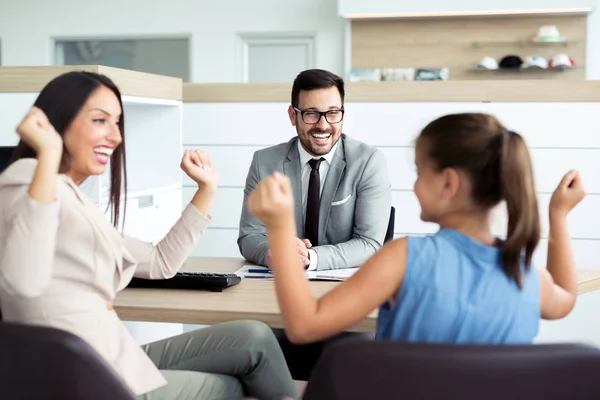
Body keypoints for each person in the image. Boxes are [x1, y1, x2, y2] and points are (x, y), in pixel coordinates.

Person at [0, 71, 297, 400]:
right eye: (100, 120)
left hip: (112, 357)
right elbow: (22, 282)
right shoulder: (27, 180)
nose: (115, 136)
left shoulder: (73, 196)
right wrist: (48, 158)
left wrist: (206, 188)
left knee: (254, 337)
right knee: (229, 388)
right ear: (59, 121)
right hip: (82, 377)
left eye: (118, 123)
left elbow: (160, 262)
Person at [248, 112, 584, 345]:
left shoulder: (403, 259)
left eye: (420, 170)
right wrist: (558, 216)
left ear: (448, 183)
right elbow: (566, 300)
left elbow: (304, 327)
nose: (415, 183)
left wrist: (279, 226)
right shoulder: (523, 273)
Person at [237, 68, 391, 379]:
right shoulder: (265, 161)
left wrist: (311, 258)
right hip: (275, 298)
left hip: (344, 301)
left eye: (333, 113)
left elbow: (371, 244)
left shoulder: (368, 162)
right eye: (311, 114)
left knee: (351, 355)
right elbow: (249, 235)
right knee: (247, 346)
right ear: (292, 115)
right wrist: (273, 252)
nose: (323, 125)